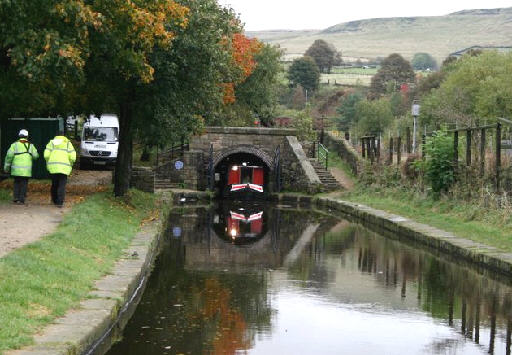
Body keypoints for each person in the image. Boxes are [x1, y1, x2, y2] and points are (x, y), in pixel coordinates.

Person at [3, 129, 39, 204]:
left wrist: (6, 168)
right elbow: (36, 156)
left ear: (19, 136)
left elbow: (9, 156)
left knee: (16, 182)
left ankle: (16, 198)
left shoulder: (14, 145)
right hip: (26, 170)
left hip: (16, 169)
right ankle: (21, 199)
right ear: (27, 136)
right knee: (24, 183)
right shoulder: (31, 145)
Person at [44, 130, 76, 207]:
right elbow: (73, 157)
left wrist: (49, 162)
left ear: (56, 136)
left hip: (53, 167)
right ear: (64, 136)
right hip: (64, 167)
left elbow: (46, 155)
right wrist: (70, 163)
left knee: (54, 184)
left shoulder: (51, 143)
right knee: (62, 185)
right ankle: (60, 202)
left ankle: (54, 200)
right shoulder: (68, 144)